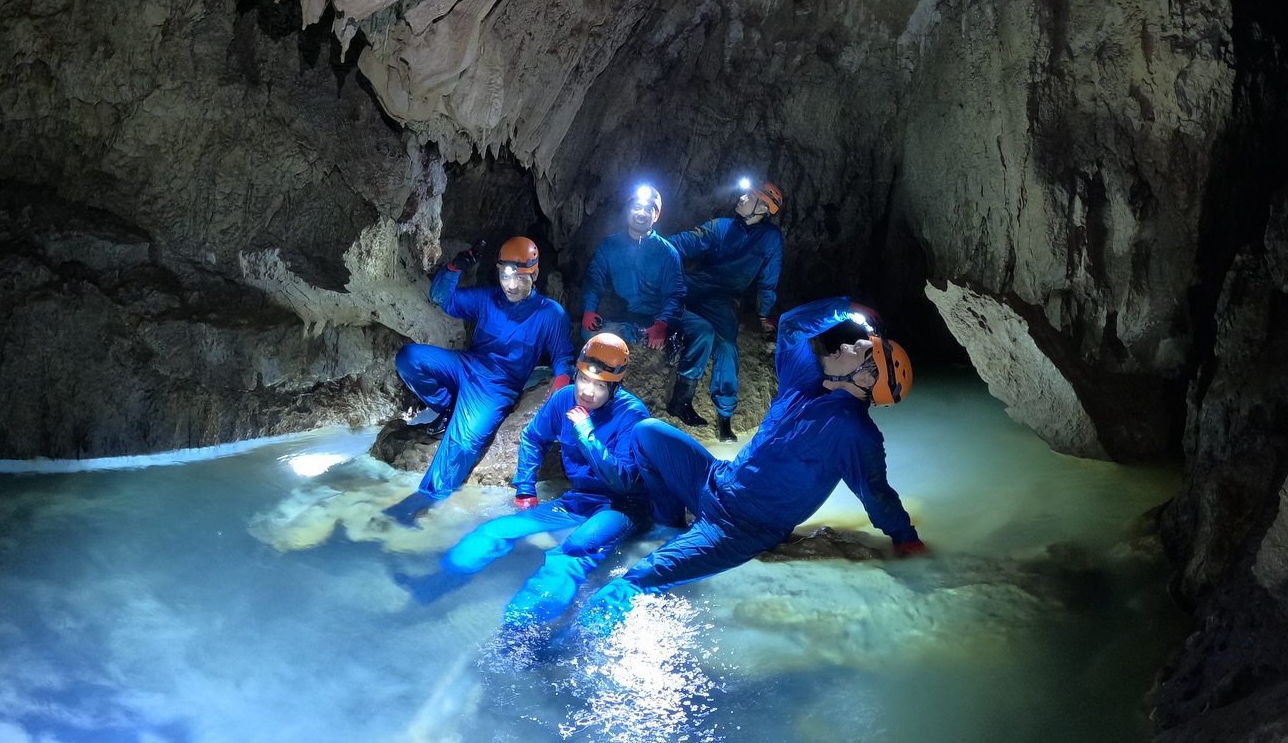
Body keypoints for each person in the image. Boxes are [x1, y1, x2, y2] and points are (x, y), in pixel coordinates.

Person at [574, 297, 925, 629]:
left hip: (741, 527)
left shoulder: (853, 431)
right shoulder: (806, 382)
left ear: (865, 378)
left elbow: (876, 494)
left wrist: (907, 541)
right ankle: (669, 524)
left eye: (859, 350)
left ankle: (560, 650)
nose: (846, 344)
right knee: (646, 432)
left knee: (638, 579)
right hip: (715, 480)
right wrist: (843, 308)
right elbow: (790, 326)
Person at [413, 333, 652, 632]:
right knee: (493, 531)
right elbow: (533, 437)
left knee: (572, 551)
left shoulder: (631, 415)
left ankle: (520, 629)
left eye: (600, 385)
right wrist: (525, 486)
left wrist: (586, 433)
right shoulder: (565, 398)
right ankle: (439, 583)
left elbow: (624, 482)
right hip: (579, 499)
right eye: (583, 379)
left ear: (615, 387)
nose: (587, 392)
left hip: (621, 506)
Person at [383, 236, 574, 523]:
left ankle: (423, 500)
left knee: (464, 440)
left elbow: (563, 357)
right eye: (504, 275)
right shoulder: (488, 298)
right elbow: (442, 298)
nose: (510, 284)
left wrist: (560, 383)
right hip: (467, 364)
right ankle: (448, 407)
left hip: (497, 385)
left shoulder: (549, 313)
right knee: (409, 358)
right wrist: (453, 268)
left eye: (519, 277)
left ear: (534, 273)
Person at [665, 179, 785, 439]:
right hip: (693, 284)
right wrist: (655, 246)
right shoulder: (721, 226)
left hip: (722, 298)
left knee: (727, 346)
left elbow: (769, 279)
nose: (741, 197)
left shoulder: (770, 239)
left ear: (763, 209)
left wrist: (764, 313)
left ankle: (724, 417)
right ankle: (681, 397)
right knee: (668, 296)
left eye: (749, 196)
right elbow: (687, 241)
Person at [580, 184, 684, 349]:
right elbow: (594, 281)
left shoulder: (667, 253)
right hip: (623, 314)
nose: (641, 213)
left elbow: (675, 295)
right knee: (588, 335)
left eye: (648, 209)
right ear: (628, 210)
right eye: (637, 207)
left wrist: (662, 323)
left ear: (656, 216)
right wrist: (589, 310)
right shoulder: (610, 245)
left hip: (654, 317)